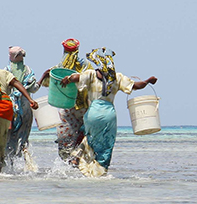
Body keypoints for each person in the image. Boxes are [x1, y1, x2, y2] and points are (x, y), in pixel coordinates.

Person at [58, 48, 157, 177]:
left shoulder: (91, 74)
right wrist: (148, 81)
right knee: (106, 144)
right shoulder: (117, 77)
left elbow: (77, 77)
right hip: (109, 114)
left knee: (90, 137)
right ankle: (100, 172)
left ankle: (79, 157)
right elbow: (136, 86)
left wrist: (68, 78)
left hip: (93, 113)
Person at [39, 38, 92, 163]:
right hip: (84, 106)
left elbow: (48, 83)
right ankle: (79, 161)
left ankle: (68, 164)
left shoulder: (59, 67)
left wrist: (45, 75)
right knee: (84, 134)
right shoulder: (85, 66)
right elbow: (92, 81)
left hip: (66, 105)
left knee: (66, 139)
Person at [5, 46, 40, 167]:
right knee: (23, 136)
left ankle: (9, 165)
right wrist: (42, 79)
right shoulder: (28, 70)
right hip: (26, 106)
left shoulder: (6, 71)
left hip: (9, 107)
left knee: (8, 137)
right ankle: (28, 165)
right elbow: (34, 88)